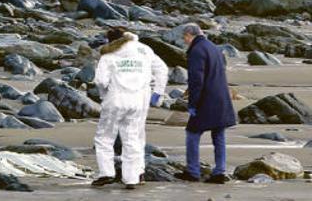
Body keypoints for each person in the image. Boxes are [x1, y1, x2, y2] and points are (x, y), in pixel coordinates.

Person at [92, 28, 168, 190]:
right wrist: (158, 93)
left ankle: (107, 173)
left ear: (110, 41)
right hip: (139, 101)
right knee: (132, 138)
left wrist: (103, 95)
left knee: (105, 136)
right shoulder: (144, 49)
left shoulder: (108, 55)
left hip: (115, 99)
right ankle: (132, 178)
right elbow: (162, 69)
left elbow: (100, 81)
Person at [176, 23, 236, 184]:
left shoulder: (196, 50)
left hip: (206, 99)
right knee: (218, 134)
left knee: (192, 134)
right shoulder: (213, 47)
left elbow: (197, 79)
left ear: (190, 34)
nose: (185, 41)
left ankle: (193, 171)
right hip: (221, 97)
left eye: (184, 37)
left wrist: (192, 104)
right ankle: (219, 171)